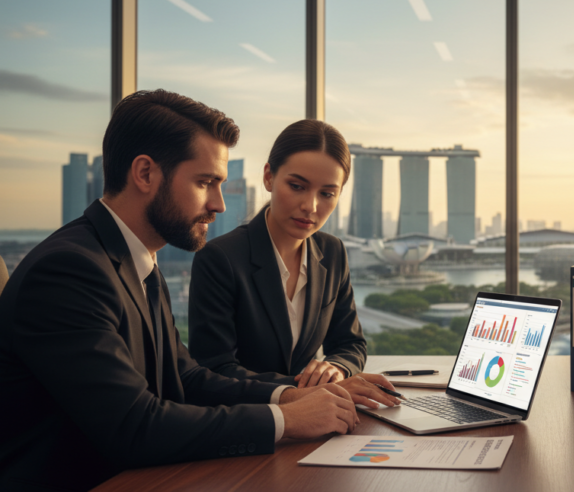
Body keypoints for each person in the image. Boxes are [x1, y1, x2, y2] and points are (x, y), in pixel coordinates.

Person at [0, 90, 361, 492]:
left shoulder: (136, 260)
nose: (220, 205)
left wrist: (287, 398)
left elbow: (185, 377)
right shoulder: (69, 271)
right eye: (206, 182)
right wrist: (287, 421)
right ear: (145, 174)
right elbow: (134, 427)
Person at [187, 120, 400, 409]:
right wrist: (306, 390)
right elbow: (215, 369)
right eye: (297, 186)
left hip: (321, 417)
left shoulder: (332, 251)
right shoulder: (220, 258)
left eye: (326, 193)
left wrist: (336, 369)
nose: (311, 206)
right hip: (246, 423)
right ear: (268, 177)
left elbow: (351, 344)